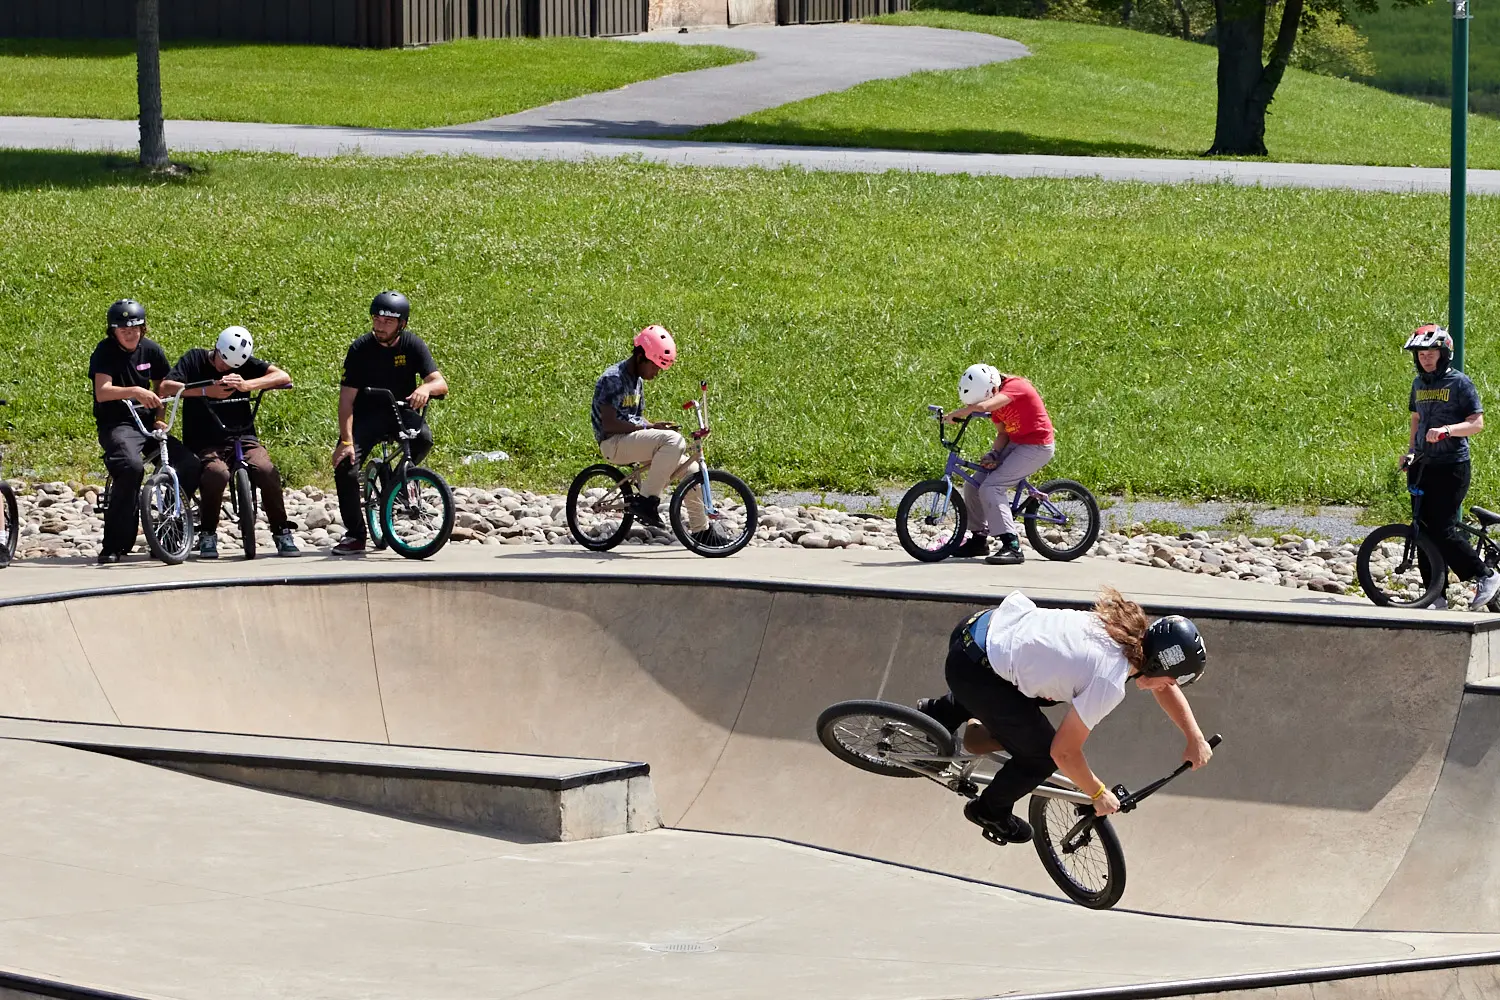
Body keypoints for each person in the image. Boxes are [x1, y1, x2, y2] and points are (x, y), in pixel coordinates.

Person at [917, 587, 1213, 845]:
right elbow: (1065, 753)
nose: (1168, 687)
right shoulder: (1108, 680)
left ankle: (939, 714)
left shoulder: (1122, 630)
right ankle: (989, 810)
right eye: (1171, 680)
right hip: (974, 672)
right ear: (1158, 667)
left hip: (977, 629)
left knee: (1048, 691)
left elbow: (1162, 685)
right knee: (1043, 756)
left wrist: (1195, 737)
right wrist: (1098, 793)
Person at [161, 326, 299, 559]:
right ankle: (208, 533)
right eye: (223, 362)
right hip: (205, 441)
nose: (226, 368)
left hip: (243, 437)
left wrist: (247, 385)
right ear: (216, 348)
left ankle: (281, 531)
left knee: (265, 470)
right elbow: (166, 387)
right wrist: (206, 390)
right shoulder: (194, 359)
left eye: (232, 366)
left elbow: (283, 376)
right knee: (216, 474)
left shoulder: (243, 364)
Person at [330, 291, 447, 555]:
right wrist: (346, 441)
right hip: (366, 415)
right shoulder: (360, 349)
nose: (380, 326)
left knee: (424, 438)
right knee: (345, 468)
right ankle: (355, 535)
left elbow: (440, 383)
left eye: (388, 321)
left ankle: (394, 486)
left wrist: (425, 388)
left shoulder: (412, 344)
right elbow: (346, 400)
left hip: (399, 410)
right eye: (377, 319)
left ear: (402, 324)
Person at [88, 299, 200, 565]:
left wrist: (160, 419)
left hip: (147, 423)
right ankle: (115, 544)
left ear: (143, 328)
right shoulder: (104, 352)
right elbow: (102, 392)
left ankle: (170, 532)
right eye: (123, 329)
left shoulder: (151, 350)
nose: (130, 334)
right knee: (130, 467)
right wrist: (136, 391)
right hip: (118, 424)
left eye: (135, 329)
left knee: (189, 464)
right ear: (113, 331)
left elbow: (162, 387)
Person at [1400, 325, 1500, 610]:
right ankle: (1435, 596)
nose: (1425, 359)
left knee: (1442, 528)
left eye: (1431, 353)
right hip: (1423, 464)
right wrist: (1410, 452)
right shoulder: (1418, 384)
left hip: (1452, 465)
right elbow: (1417, 419)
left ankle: (1486, 575)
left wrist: (1447, 430)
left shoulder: (1459, 383)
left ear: (1444, 354)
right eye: (1421, 354)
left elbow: (1477, 423)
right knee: (1421, 529)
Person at [590, 326, 718, 543]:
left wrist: (654, 426)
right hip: (613, 443)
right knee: (673, 441)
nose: (657, 372)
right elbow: (609, 424)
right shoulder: (613, 379)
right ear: (641, 357)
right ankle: (646, 502)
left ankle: (702, 532)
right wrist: (648, 430)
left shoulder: (637, 380)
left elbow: (634, 419)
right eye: (655, 366)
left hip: (629, 440)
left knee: (691, 470)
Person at [947, 364, 1056, 565]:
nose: (980, 403)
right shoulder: (994, 397)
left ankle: (1013, 546)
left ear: (992, 389)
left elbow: (984, 408)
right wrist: (994, 454)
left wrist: (958, 412)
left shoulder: (1017, 387)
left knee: (992, 487)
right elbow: (1003, 433)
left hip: (1037, 445)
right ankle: (978, 539)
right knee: (973, 485)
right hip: (1015, 443)